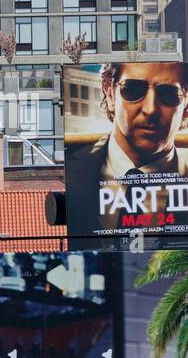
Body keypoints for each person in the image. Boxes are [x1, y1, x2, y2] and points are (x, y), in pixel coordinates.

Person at [66, 62, 188, 236]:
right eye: (133, 90)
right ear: (110, 93)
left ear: (186, 105)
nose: (150, 109)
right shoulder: (72, 172)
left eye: (168, 94)